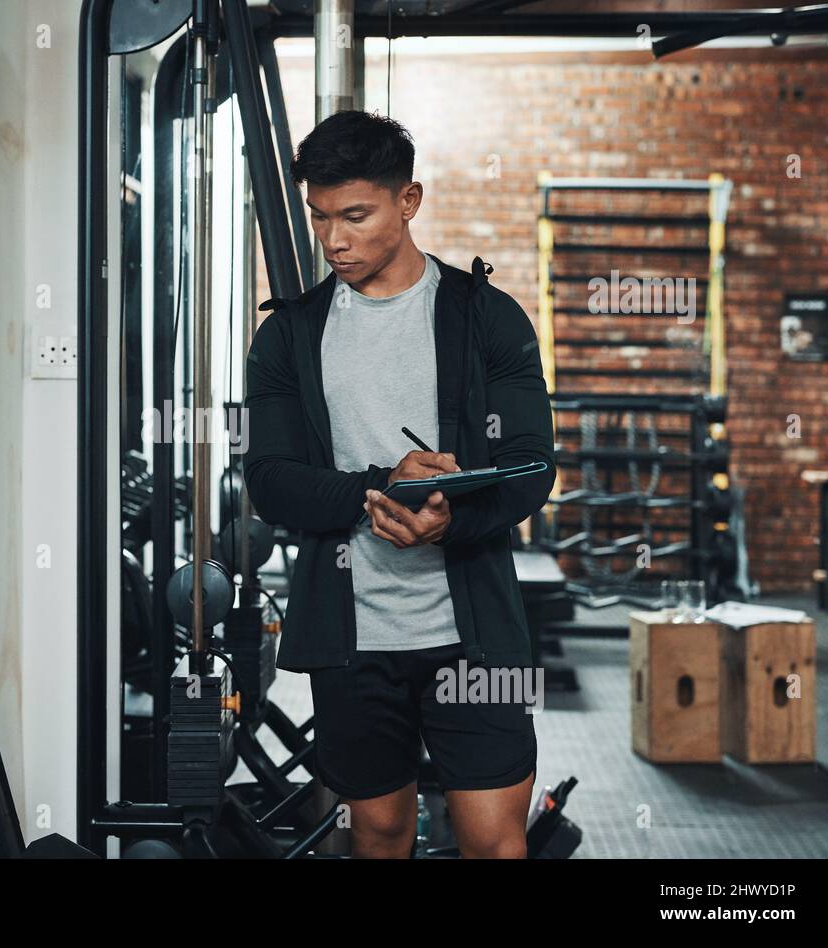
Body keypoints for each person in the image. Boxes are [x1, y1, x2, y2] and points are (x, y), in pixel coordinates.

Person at [244, 110, 557, 858]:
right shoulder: (288, 335)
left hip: (475, 636)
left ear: (408, 201)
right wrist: (377, 487)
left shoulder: (487, 317)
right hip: (353, 641)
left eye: (355, 215)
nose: (334, 240)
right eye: (320, 218)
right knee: (378, 832)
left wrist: (449, 518)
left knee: (493, 839)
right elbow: (272, 481)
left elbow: (531, 464)